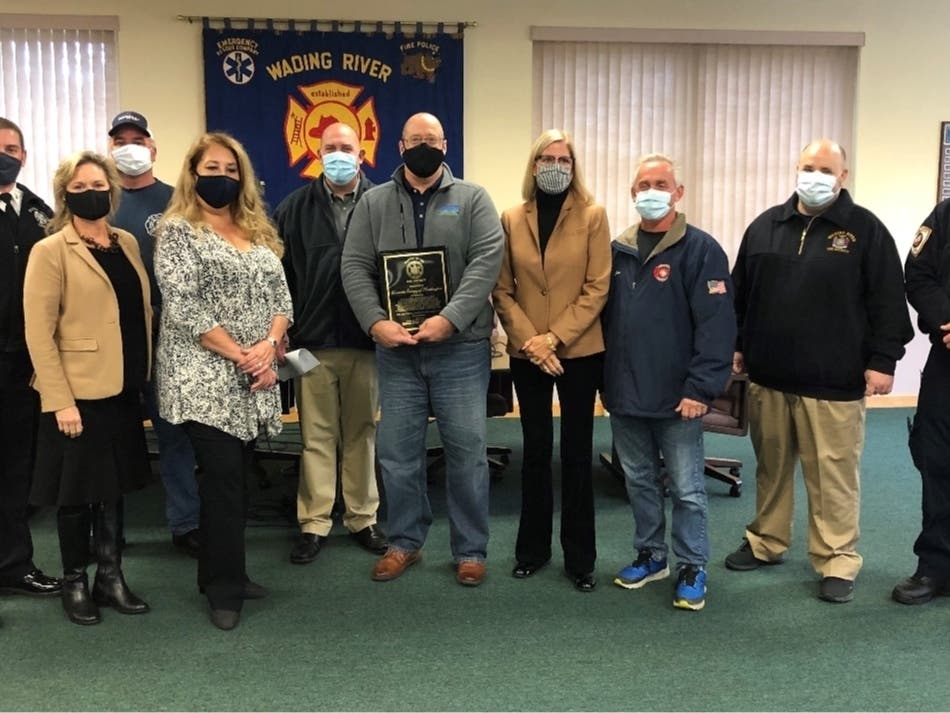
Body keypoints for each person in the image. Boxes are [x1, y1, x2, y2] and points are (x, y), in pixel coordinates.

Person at [725, 139, 913, 603]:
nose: (815, 176)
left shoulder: (865, 231)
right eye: (808, 166)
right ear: (796, 169)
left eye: (825, 169)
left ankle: (836, 559)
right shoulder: (766, 226)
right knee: (771, 468)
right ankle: (766, 542)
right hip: (769, 377)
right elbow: (739, 294)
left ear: (843, 176)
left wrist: (882, 361)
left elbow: (888, 301)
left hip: (835, 381)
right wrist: (736, 345)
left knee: (832, 477)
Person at [341, 112, 504, 587]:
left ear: (446, 145)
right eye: (416, 140)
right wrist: (375, 322)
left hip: (460, 349)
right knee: (396, 452)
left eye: (431, 140)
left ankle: (470, 549)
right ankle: (404, 543)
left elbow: (485, 263)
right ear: (399, 145)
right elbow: (354, 267)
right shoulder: (373, 202)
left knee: (467, 452)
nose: (424, 147)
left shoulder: (473, 200)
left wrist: (448, 320)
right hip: (397, 353)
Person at [154, 132, 292, 630]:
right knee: (223, 483)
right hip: (203, 377)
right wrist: (244, 355)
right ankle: (224, 590)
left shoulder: (256, 229)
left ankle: (220, 570)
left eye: (230, 171)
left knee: (237, 480)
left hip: (253, 376)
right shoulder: (177, 230)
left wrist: (270, 344)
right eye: (211, 170)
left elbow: (283, 298)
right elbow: (184, 304)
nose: (221, 179)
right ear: (193, 174)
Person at [24, 151, 153, 625]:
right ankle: (75, 581)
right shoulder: (50, 250)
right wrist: (59, 400)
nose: (89, 191)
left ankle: (111, 576)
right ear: (64, 195)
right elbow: (38, 331)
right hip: (76, 396)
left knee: (113, 487)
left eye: (97, 183)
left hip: (120, 388)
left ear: (112, 190)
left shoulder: (126, 242)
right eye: (78, 186)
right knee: (76, 493)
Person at [602, 154, 735, 611]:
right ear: (632, 193)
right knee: (638, 481)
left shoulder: (701, 251)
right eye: (643, 184)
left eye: (661, 183)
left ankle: (693, 564)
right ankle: (651, 555)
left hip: (680, 398)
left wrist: (700, 389)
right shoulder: (617, 249)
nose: (651, 191)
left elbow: (717, 328)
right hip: (625, 393)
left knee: (687, 488)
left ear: (678, 193)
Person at [491, 129, 610, 592]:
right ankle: (532, 551)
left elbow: (598, 287)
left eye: (564, 158)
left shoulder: (592, 217)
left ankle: (581, 560)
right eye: (547, 158)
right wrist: (532, 342)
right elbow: (502, 289)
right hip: (528, 355)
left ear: (574, 166)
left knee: (577, 455)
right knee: (536, 453)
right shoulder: (511, 217)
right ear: (534, 165)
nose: (555, 165)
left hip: (578, 352)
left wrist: (555, 338)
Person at [275, 122, 387, 565]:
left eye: (347, 148)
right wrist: (279, 329)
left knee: (362, 432)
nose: (338, 155)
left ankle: (363, 517)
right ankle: (315, 521)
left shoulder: (382, 204)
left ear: (362, 155)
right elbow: (278, 276)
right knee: (315, 436)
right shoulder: (294, 208)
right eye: (330, 148)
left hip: (367, 338)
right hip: (313, 342)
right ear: (316, 153)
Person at [108, 110, 200, 558]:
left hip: (169, 335)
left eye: (137, 139)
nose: (129, 147)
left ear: (153, 149)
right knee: (116, 437)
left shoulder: (177, 200)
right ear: (110, 149)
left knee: (174, 434)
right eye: (120, 140)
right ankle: (110, 529)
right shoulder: (100, 201)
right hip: (115, 337)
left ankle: (185, 524)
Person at [0, 118, 62, 600]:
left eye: (13, 148)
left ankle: (15, 564)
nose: (7, 154)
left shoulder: (41, 214)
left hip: (23, 362)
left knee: (16, 468)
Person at [893, 201, 950, 605]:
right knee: (937, 461)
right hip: (947, 357)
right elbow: (918, 275)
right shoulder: (945, 216)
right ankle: (934, 566)